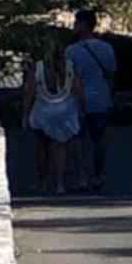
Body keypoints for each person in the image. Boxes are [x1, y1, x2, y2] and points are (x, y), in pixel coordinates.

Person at [23, 30, 84, 196]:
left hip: (43, 111)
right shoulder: (70, 68)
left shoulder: (38, 69)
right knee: (61, 146)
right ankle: (60, 183)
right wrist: (81, 110)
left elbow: (29, 93)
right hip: (64, 113)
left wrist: (25, 114)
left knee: (42, 147)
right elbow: (78, 91)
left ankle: (42, 183)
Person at [66, 8, 117, 192]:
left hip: (78, 102)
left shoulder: (71, 51)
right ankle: (98, 174)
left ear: (83, 25)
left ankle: (81, 176)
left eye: (76, 23)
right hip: (101, 100)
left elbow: (69, 78)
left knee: (77, 139)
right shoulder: (106, 48)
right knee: (99, 139)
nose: (73, 26)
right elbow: (111, 76)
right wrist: (111, 97)